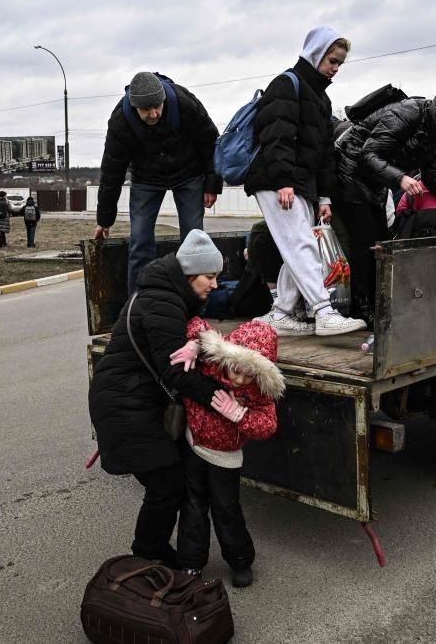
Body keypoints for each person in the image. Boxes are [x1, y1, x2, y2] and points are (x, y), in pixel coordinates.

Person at [89, 229, 233, 567]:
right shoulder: (163, 301)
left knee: (171, 483)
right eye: (209, 277)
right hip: (124, 405)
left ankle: (152, 549)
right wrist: (221, 396)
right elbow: (175, 372)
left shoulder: (166, 295)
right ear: (189, 274)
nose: (213, 284)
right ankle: (148, 553)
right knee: (166, 485)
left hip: (132, 399)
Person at [243, 25, 367, 337]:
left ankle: (282, 313)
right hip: (277, 181)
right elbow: (276, 135)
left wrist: (324, 197)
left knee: (295, 247)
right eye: (332, 60)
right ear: (315, 54)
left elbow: (325, 153)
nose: (335, 68)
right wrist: (283, 180)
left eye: (339, 63)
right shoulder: (287, 85)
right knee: (301, 244)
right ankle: (324, 311)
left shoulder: (321, 99)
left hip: (299, 183)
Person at [335, 79, 436, 324]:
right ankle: (361, 309)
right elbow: (368, 154)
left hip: (375, 181)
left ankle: (372, 304)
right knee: (365, 241)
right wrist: (401, 178)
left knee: (380, 242)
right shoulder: (407, 112)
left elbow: (434, 178)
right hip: (350, 171)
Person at [169, 318, 284, 588]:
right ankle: (190, 562)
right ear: (227, 356)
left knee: (226, 511)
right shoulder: (211, 365)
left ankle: (240, 561)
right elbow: (196, 324)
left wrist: (240, 415)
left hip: (226, 458)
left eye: (248, 374)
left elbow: (267, 424)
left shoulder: (257, 392)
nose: (239, 379)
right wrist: (195, 346)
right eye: (236, 370)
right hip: (193, 444)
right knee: (193, 506)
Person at [94, 71, 223, 293]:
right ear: (135, 107)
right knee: (140, 240)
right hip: (147, 178)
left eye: (158, 106)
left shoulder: (183, 103)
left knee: (193, 239)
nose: (154, 113)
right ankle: (138, 301)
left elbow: (210, 141)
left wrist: (212, 183)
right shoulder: (121, 121)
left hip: (189, 173)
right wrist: (104, 219)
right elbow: (111, 170)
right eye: (147, 109)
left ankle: (192, 302)